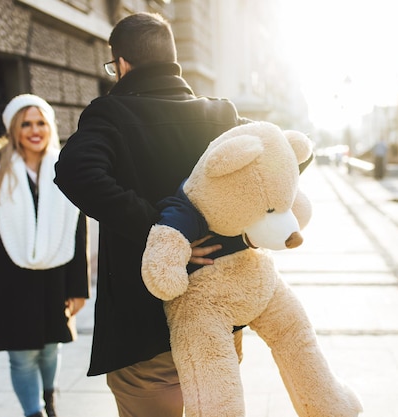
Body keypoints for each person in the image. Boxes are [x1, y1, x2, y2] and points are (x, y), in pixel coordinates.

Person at [53, 12, 252, 417]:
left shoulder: (110, 113)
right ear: (172, 58)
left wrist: (160, 231)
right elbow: (289, 155)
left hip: (142, 325)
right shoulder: (220, 115)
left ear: (122, 64)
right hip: (217, 317)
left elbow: (75, 170)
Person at [0, 94, 90, 417]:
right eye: (26, 124)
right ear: (14, 130)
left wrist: (78, 287)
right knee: (21, 356)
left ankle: (49, 399)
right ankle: (33, 412)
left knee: (49, 351)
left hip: (54, 275)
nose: (35, 130)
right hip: (8, 281)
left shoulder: (65, 169)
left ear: (49, 127)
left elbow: (77, 230)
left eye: (41, 123)